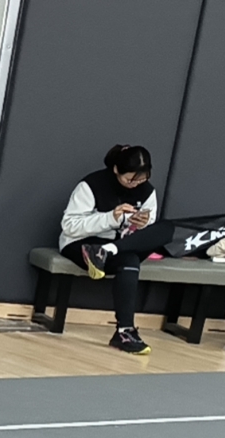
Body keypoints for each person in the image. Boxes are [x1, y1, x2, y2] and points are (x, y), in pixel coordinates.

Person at [58, 144, 171, 355]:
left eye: (141, 180)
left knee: (166, 229)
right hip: (81, 244)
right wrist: (111, 218)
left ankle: (107, 250)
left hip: (118, 246)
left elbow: (145, 230)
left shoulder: (148, 192)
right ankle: (125, 331)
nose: (135, 184)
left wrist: (141, 225)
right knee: (130, 261)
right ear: (116, 170)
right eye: (130, 179)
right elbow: (69, 226)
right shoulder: (91, 184)